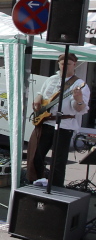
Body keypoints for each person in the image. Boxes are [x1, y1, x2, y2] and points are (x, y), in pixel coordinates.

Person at [28, 53, 90, 187]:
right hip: (45, 122)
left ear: (74, 65)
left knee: (58, 160)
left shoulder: (79, 84)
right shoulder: (51, 79)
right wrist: (38, 99)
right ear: (58, 64)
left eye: (68, 64)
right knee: (36, 154)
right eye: (62, 64)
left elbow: (80, 109)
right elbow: (41, 93)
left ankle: (56, 187)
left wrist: (79, 100)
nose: (64, 66)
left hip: (64, 125)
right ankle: (37, 181)